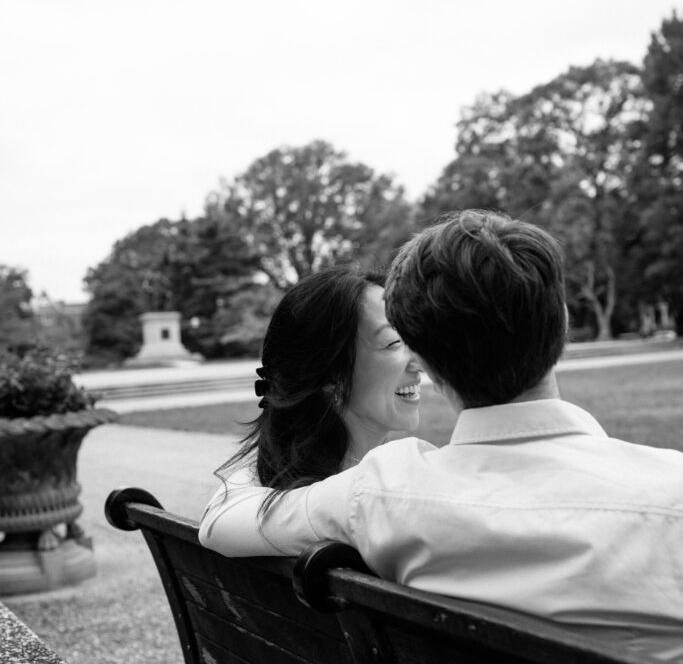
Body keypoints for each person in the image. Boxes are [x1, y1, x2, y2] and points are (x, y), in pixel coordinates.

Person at [200, 210, 683, 631]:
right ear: (560, 321)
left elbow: (228, 518)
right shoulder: (672, 490)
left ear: (428, 356)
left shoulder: (382, 494)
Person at [201, 265, 422, 536]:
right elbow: (216, 525)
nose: (419, 361)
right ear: (329, 373)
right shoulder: (396, 495)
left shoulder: (260, 489)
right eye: (393, 342)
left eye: (412, 337)